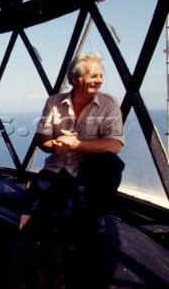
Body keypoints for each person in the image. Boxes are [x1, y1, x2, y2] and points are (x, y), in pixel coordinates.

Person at [31, 52, 125, 237]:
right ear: (74, 79)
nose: (99, 81)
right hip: (58, 167)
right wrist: (55, 145)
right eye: (93, 76)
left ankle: (95, 213)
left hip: (89, 172)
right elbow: (41, 138)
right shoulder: (54, 102)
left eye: (101, 76)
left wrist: (75, 145)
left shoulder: (109, 104)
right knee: (43, 215)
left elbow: (115, 145)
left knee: (112, 163)